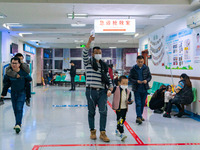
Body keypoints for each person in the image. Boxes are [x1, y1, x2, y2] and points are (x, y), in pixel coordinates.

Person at [83, 35, 113, 142]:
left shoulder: (104, 66)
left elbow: (109, 80)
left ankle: (103, 133)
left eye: (100, 53)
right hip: (91, 91)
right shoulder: (88, 63)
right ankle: (92, 131)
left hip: (102, 92)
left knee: (103, 111)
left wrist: (110, 89)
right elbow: (84, 53)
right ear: (92, 54)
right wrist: (89, 41)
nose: (98, 54)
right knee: (91, 112)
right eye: (96, 53)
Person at [1, 57, 32, 134]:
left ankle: (18, 124)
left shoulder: (23, 73)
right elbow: (6, 85)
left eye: (15, 63)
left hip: (22, 93)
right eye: (12, 63)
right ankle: (18, 123)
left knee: (19, 108)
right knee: (15, 109)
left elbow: (29, 80)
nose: (14, 65)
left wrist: (28, 96)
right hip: (13, 93)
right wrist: (2, 95)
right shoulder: (9, 74)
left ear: (19, 64)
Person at [128, 55, 152, 125]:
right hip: (137, 89)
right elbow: (130, 78)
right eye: (139, 62)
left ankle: (140, 115)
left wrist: (146, 80)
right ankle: (138, 117)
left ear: (143, 61)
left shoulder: (146, 68)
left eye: (141, 62)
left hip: (144, 88)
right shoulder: (133, 69)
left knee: (142, 103)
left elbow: (149, 77)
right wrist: (136, 81)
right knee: (138, 103)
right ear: (136, 61)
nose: (140, 63)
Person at [111, 75, 133, 141]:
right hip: (118, 108)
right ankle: (122, 133)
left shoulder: (128, 91)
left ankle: (117, 130)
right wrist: (109, 91)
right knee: (120, 120)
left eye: (126, 83)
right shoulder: (116, 88)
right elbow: (110, 90)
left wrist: (130, 101)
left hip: (125, 108)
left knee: (122, 120)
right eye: (123, 83)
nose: (125, 85)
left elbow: (129, 99)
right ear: (119, 83)